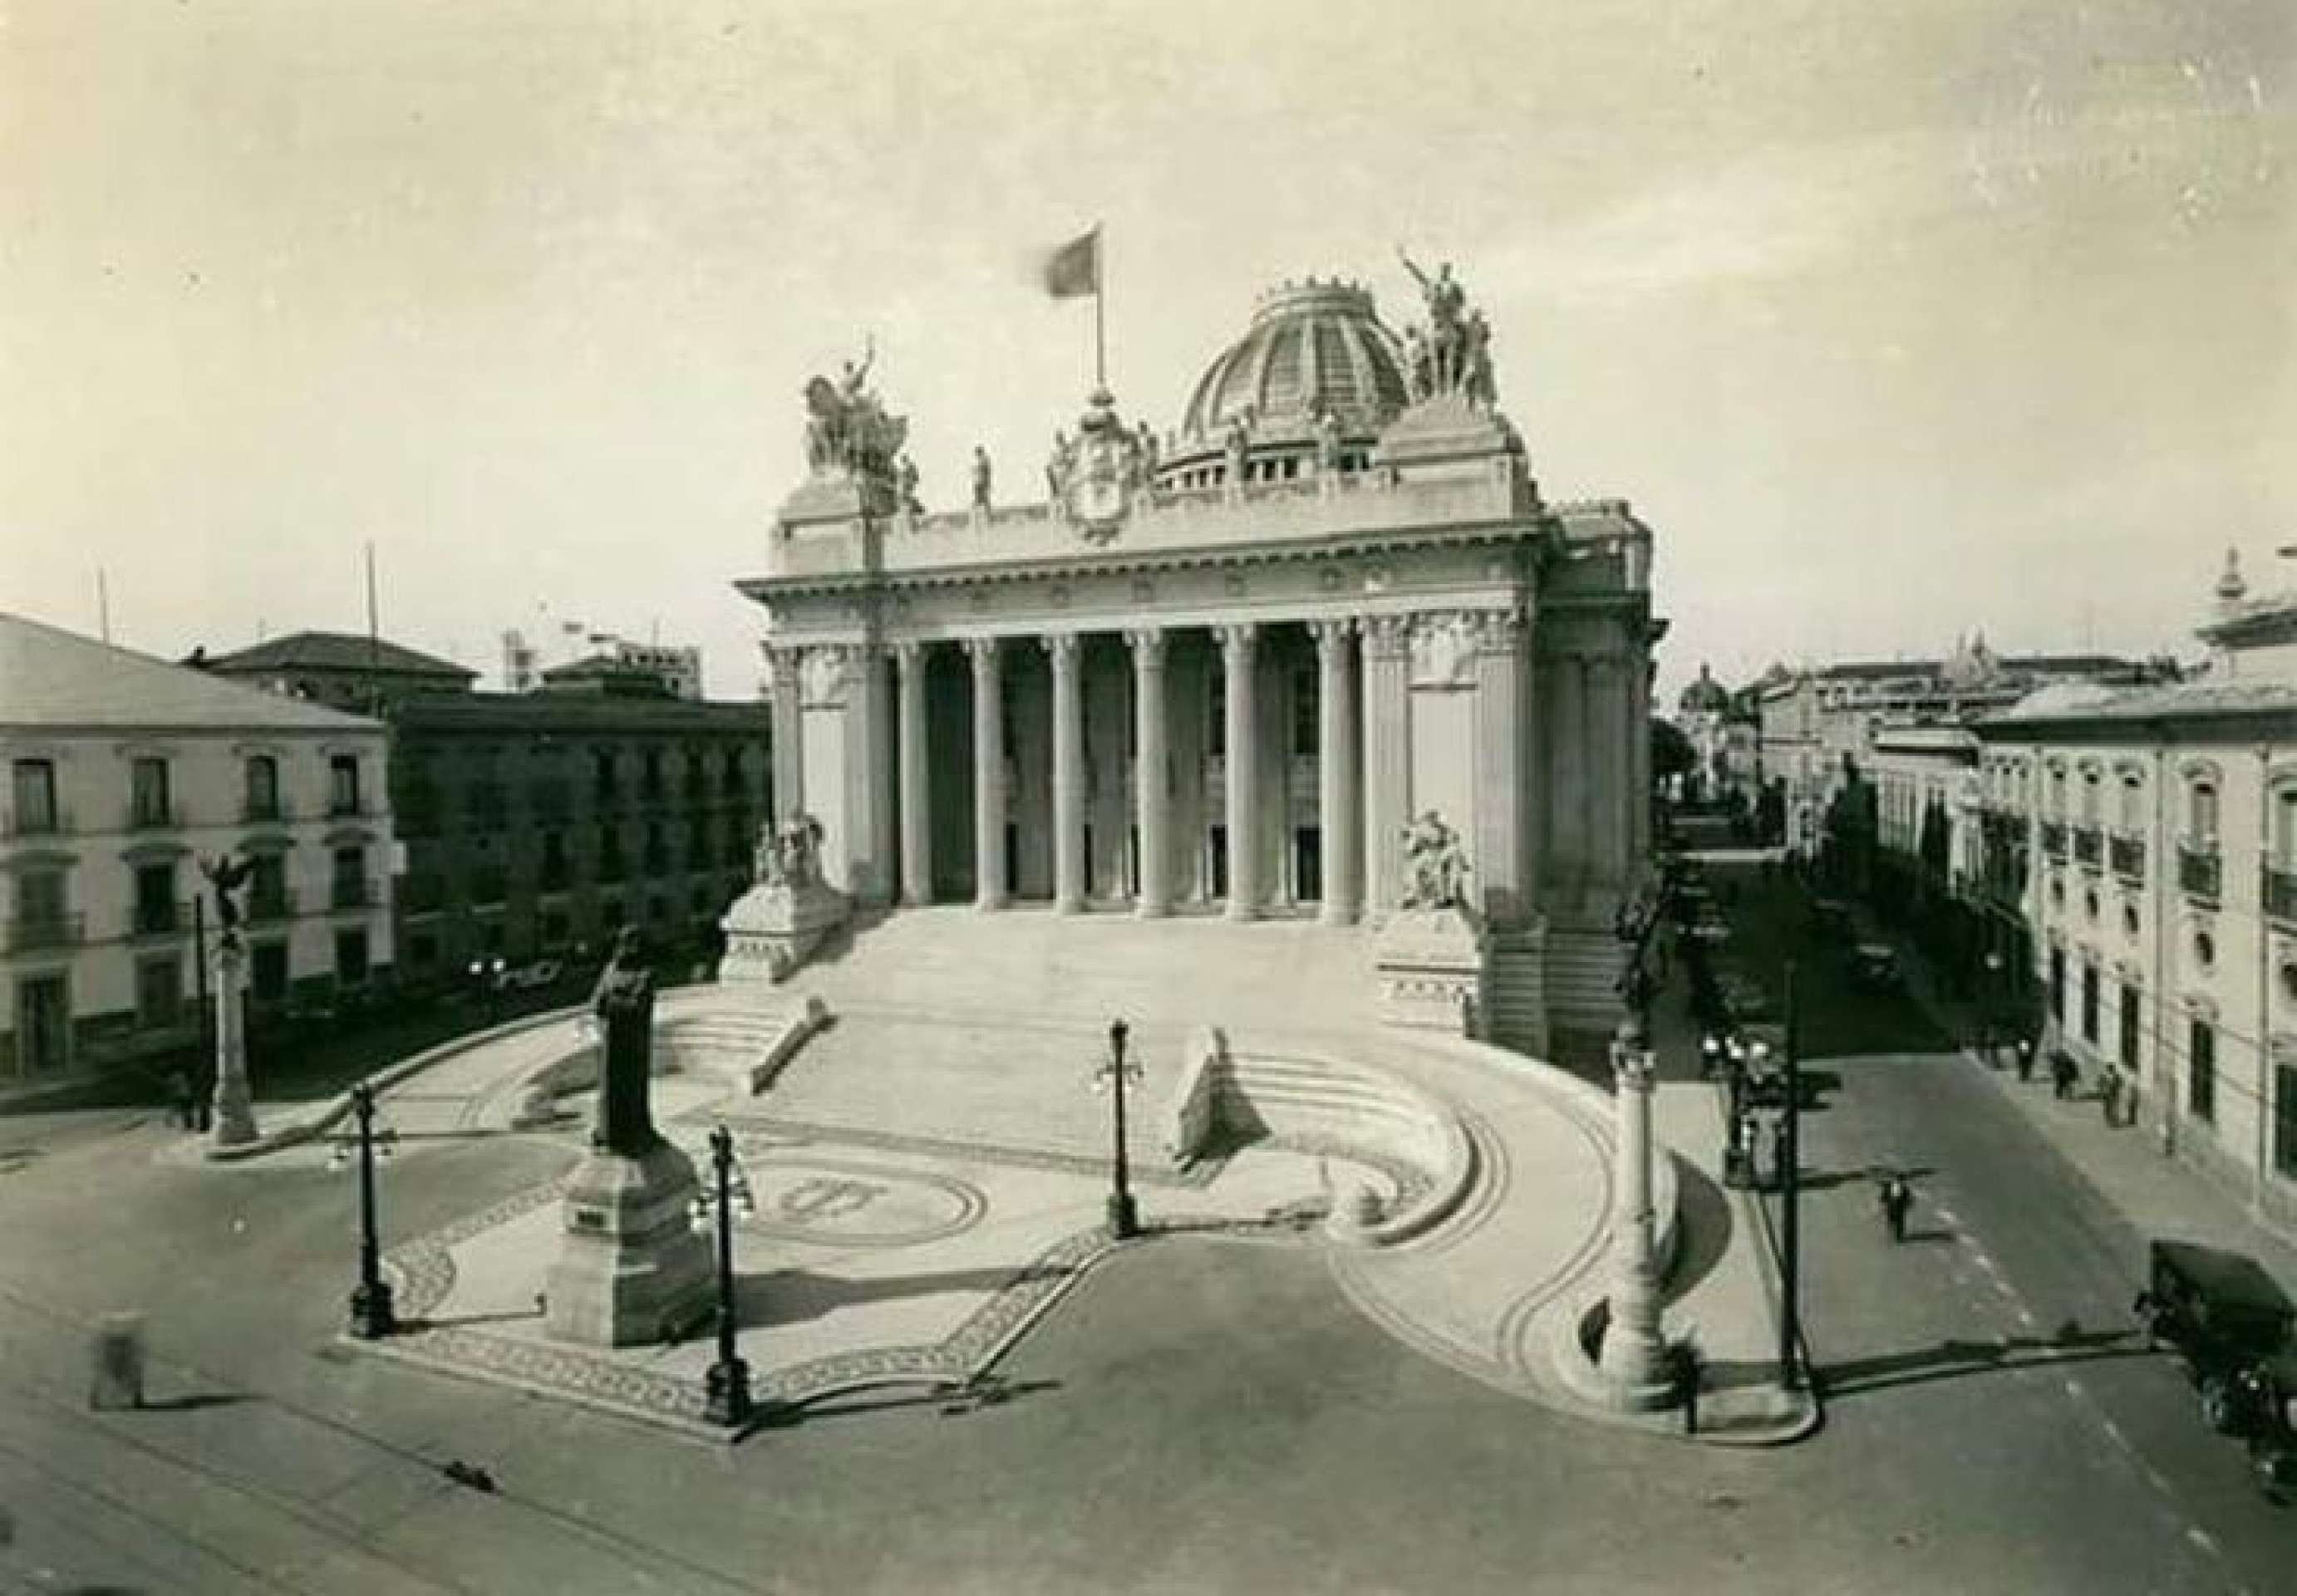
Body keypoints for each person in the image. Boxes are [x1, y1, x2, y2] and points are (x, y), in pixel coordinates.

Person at [1878, 1174, 1913, 1242]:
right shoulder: (1889, 1187)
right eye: (1900, 1180)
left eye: (1902, 1181)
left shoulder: (1905, 1189)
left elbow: (1908, 1198)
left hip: (1899, 1207)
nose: (1901, 1182)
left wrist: (1907, 1205)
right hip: (1892, 1206)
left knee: (1899, 1222)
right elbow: (1884, 1196)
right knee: (1892, 1221)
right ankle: (1894, 1234)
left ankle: (1899, 1237)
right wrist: (1884, 1202)